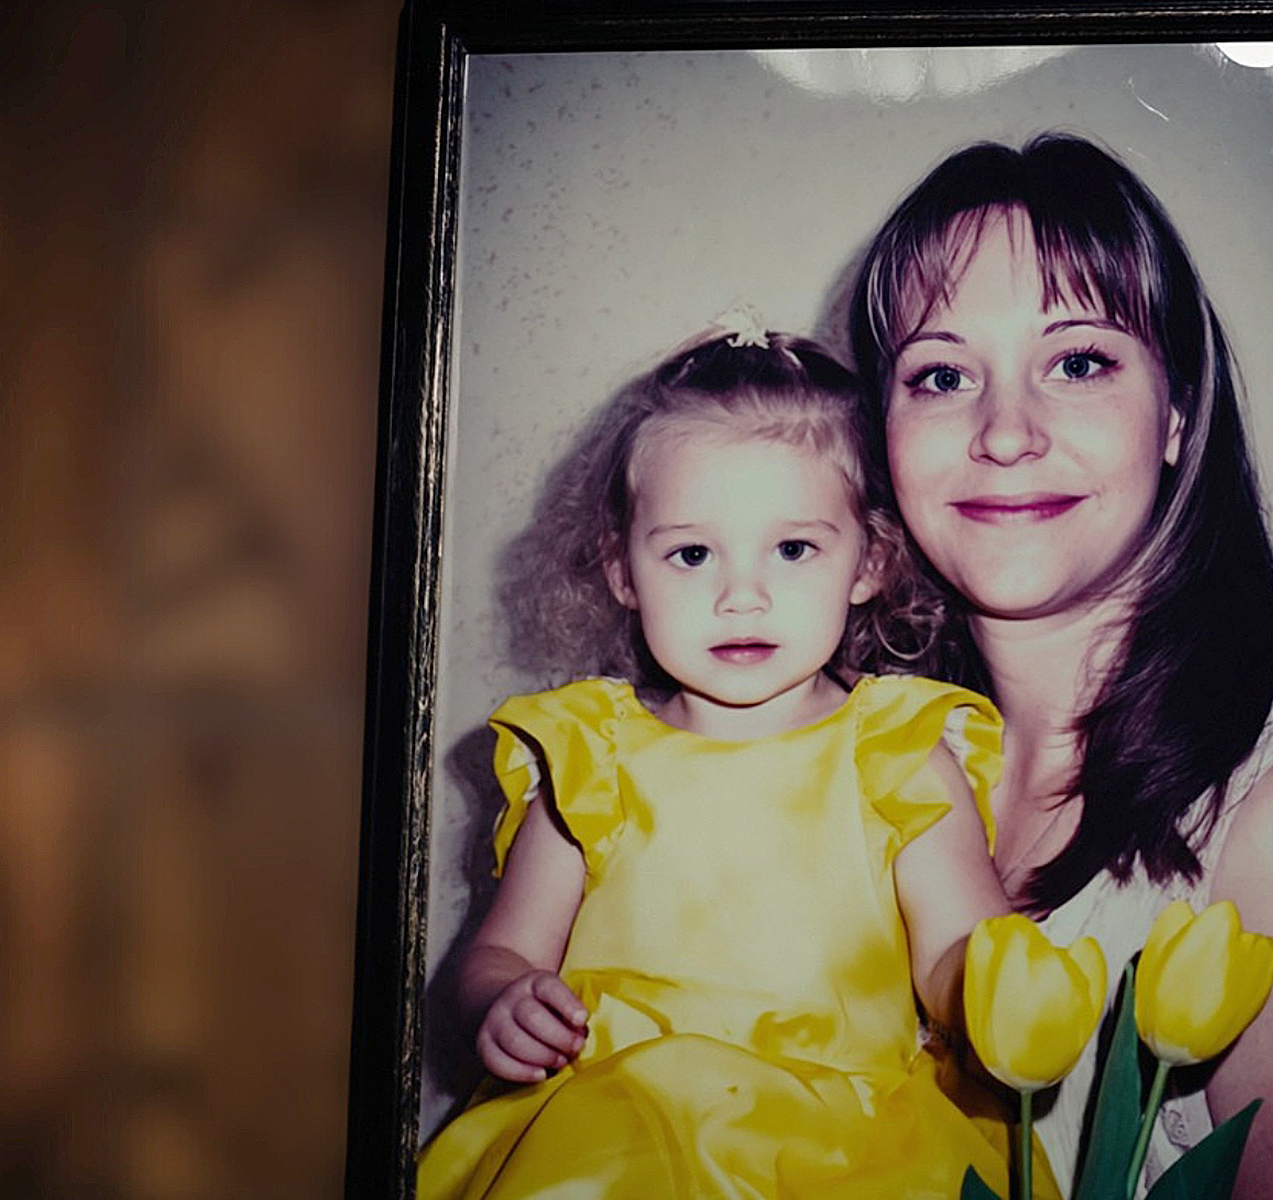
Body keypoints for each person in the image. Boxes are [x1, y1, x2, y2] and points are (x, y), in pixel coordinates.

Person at [418, 322, 1037, 1199]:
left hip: (851, 1146)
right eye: (691, 553)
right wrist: (504, 1001)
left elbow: (955, 953)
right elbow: (497, 956)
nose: (740, 593)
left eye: (793, 549)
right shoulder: (591, 758)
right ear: (623, 572)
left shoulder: (898, 751)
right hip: (618, 1136)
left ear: (869, 560)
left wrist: (993, 993)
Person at [850, 134, 1273, 1199]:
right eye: (941, 374)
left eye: (1078, 363)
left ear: (1174, 414)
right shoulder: (867, 765)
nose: (1006, 432)